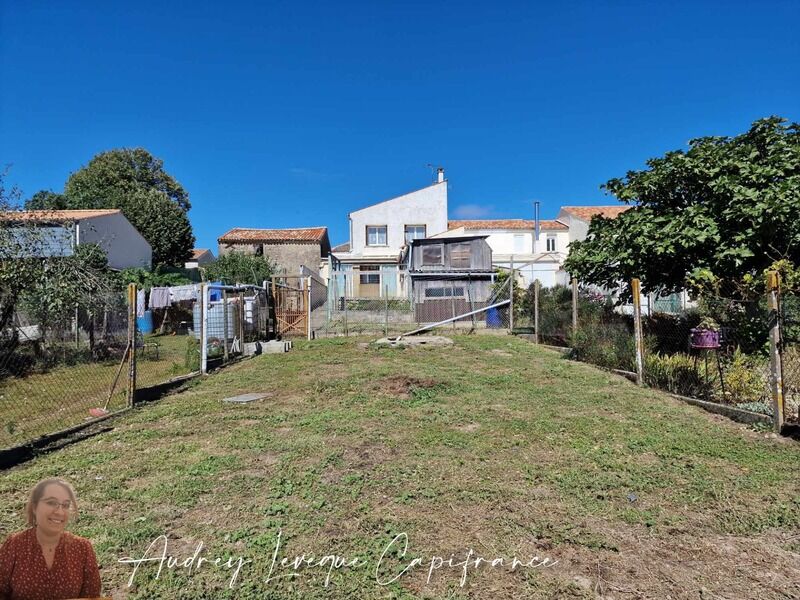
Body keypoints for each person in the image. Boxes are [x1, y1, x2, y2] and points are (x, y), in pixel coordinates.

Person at [0, 478, 101, 600]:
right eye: (51, 502)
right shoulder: (14, 545)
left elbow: (91, 596)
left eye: (65, 505)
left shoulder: (82, 548)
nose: (59, 512)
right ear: (34, 507)